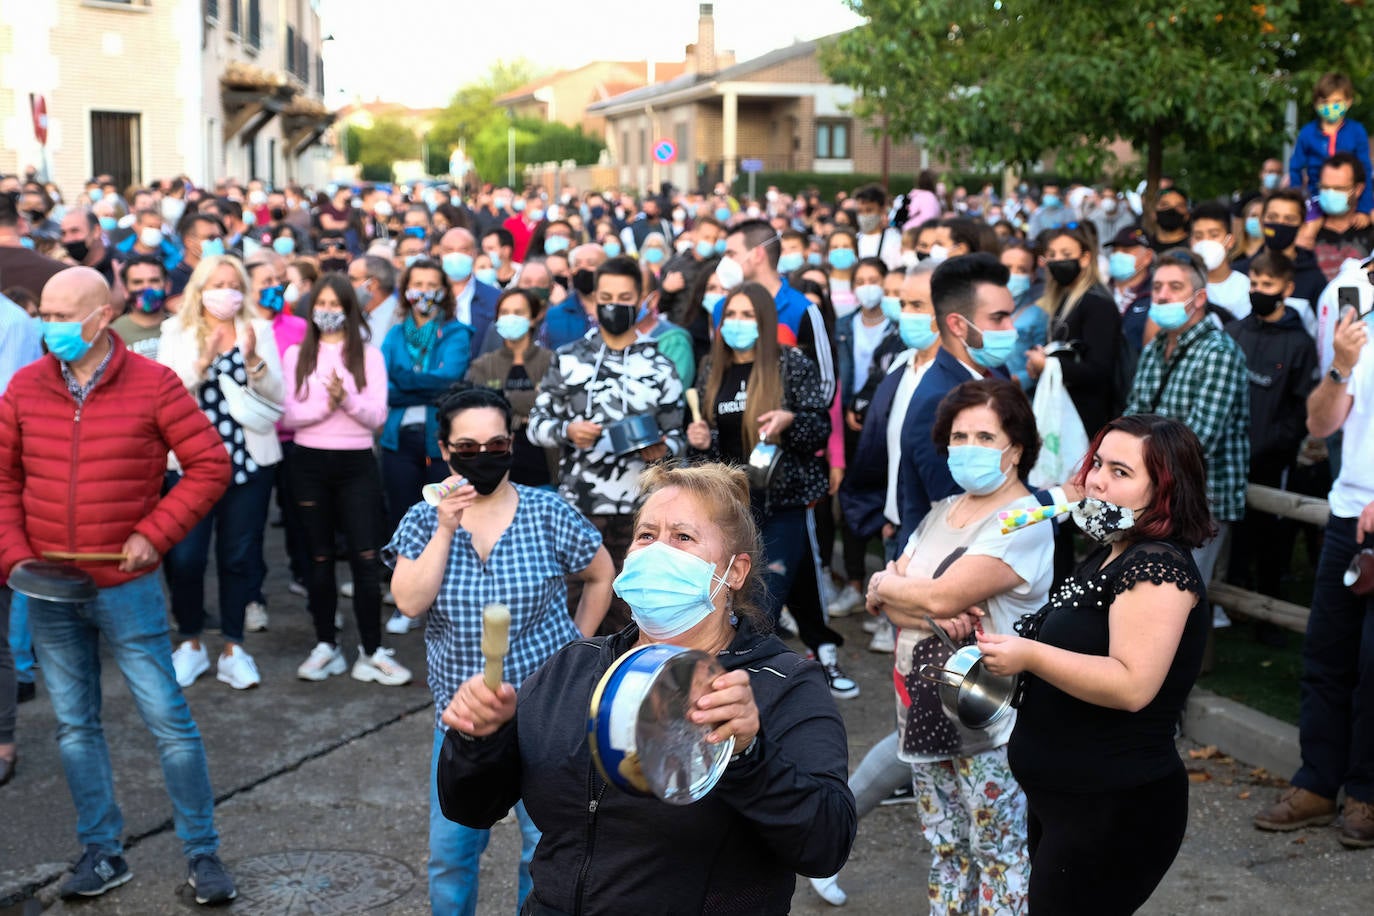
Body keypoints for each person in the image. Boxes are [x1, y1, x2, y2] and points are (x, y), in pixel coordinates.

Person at [434, 461, 856, 914]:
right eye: (646, 535)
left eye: (683, 537)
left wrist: (749, 755)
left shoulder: (781, 683)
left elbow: (825, 845)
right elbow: (472, 809)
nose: (657, 551)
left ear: (734, 571)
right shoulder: (576, 666)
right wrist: (478, 740)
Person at [0, 267, 238, 903]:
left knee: (169, 720)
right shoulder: (24, 388)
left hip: (125, 586)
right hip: (48, 587)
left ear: (101, 318)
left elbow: (210, 465)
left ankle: (203, 853)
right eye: (43, 313)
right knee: (74, 726)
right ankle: (102, 853)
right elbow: (2, 481)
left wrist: (154, 534)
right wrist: (17, 560)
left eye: (61, 315)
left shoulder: (155, 383)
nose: (47, 326)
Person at [386, 386, 614, 913]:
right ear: (444, 451)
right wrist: (445, 529)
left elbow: (601, 574)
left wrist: (575, 650)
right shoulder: (423, 520)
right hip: (462, 724)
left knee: (544, 852)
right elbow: (409, 601)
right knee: (451, 855)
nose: (484, 456)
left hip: (547, 718)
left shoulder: (546, 510)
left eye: (495, 444)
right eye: (467, 447)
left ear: (511, 444)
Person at [975, 414, 1212, 914]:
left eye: (1121, 472)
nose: (1097, 479)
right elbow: (1075, 646)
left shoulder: (1158, 568)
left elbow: (1132, 685)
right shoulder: (1110, 553)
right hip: (1068, 800)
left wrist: (1030, 654)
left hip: (1115, 806)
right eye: (1098, 462)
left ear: (1164, 492)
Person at [838, 378, 1052, 912]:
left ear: (1016, 448)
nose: (968, 447)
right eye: (959, 435)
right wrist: (904, 596)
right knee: (945, 848)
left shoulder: (1023, 520)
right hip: (923, 711)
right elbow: (902, 604)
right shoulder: (942, 511)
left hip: (991, 721)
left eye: (985, 435)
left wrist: (894, 589)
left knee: (1000, 854)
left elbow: (933, 595)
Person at [686, 282, 854, 697]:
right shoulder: (712, 368)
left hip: (784, 499)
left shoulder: (789, 363)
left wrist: (789, 421)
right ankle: (820, 648)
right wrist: (697, 439)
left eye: (747, 315)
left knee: (767, 594)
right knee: (763, 586)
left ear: (764, 321)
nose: (738, 325)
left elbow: (820, 425)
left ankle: (754, 682)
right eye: (731, 316)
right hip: (732, 505)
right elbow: (703, 444)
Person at [1253, 298, 1374, 848]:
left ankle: (1367, 794)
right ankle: (1318, 784)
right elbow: (1321, 423)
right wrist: (1341, 366)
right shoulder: (1361, 331)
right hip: (1349, 514)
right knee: (1327, 655)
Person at [527, 256, 685, 633]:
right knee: (570, 611)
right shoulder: (568, 358)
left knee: (630, 613)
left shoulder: (659, 362)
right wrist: (568, 430)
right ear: (594, 300)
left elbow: (680, 436)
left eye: (625, 296)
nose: (615, 305)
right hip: (578, 507)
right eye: (607, 296)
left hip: (641, 513)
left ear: (644, 300)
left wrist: (662, 449)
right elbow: (535, 426)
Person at [158, 254, 284, 690]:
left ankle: (234, 646)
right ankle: (190, 642)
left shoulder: (259, 330)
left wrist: (252, 360)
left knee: (238, 557)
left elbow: (276, 396)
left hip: (248, 463)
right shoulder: (175, 331)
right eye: (217, 283)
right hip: (191, 465)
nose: (226, 291)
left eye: (233, 283)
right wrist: (204, 359)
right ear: (199, 287)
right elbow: (169, 393)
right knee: (187, 558)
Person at [281, 273, 410, 687]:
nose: (329, 312)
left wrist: (346, 400)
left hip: (356, 463)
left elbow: (376, 417)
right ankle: (325, 644)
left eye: (338, 305)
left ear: (350, 310)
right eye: (323, 304)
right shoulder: (297, 355)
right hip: (308, 462)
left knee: (366, 558)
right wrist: (327, 403)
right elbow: (289, 416)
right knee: (318, 558)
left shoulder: (369, 355)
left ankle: (371, 651)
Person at [1123, 250, 1250, 593]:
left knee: (1183, 595)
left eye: (1174, 287)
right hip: (1151, 489)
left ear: (1200, 297)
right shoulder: (1156, 346)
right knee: (1144, 590)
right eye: (1158, 286)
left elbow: (1197, 440)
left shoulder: (1219, 352)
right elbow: (1133, 416)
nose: (1162, 295)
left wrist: (1133, 466)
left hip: (1199, 498)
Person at [897, 253, 1018, 547]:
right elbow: (964, 508)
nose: (1011, 328)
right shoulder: (939, 400)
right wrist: (1058, 499)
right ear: (958, 325)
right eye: (998, 318)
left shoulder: (995, 371)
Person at [1223, 252, 1319, 606]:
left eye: (1268, 285)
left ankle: (1267, 602)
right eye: (1254, 283)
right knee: (1232, 533)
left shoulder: (1300, 344)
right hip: (1229, 456)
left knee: (1270, 535)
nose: (1259, 291)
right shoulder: (1234, 332)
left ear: (1287, 288)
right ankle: (1229, 599)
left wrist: (1273, 443)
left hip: (1272, 461)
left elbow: (1301, 406)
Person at [380, 257, 473, 538]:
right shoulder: (394, 335)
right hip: (398, 439)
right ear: (406, 290)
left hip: (439, 440)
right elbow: (385, 389)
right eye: (418, 284)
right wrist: (427, 387)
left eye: (432, 285)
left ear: (444, 290)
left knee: (444, 516)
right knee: (402, 515)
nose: (424, 291)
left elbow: (450, 382)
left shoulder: (457, 333)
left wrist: (403, 378)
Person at [1024, 226, 1122, 438]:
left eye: (1066, 254)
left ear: (1085, 258)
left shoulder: (1097, 303)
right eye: (1052, 255)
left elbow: (1099, 370)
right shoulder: (1064, 298)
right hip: (1064, 413)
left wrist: (1048, 365)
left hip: (1085, 421)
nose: (1058, 260)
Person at [464, 289, 556, 488]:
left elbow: (555, 404)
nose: (510, 318)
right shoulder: (482, 365)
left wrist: (501, 399)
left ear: (533, 318)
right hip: (495, 469)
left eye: (518, 312)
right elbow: (479, 407)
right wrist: (529, 405)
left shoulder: (551, 361)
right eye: (504, 312)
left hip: (544, 467)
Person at [1288, 71, 1374, 214]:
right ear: (1316, 104)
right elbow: (1295, 167)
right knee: (1309, 230)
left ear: (1348, 102)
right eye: (1325, 102)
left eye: (1336, 102)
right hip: (1316, 197)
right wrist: (1298, 200)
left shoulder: (1356, 131)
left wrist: (1364, 208)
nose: (1330, 107)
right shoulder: (1307, 133)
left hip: (1350, 199)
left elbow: (1365, 169)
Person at [1190, 201, 1252, 318]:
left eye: (1214, 235)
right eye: (1198, 236)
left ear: (1230, 241)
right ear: (1191, 241)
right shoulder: (1182, 284)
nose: (1206, 242)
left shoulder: (1245, 287)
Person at [1000, 241, 1047, 393]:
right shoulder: (980, 307)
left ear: (1032, 275)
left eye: (1022, 270)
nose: (1013, 274)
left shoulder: (1038, 315)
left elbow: (1041, 362)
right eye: (1007, 268)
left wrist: (1019, 380)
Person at [109, 254, 172, 360]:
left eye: (154, 281)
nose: (146, 287)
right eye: (137, 282)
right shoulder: (113, 335)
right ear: (125, 290)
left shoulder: (182, 327)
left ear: (167, 286)